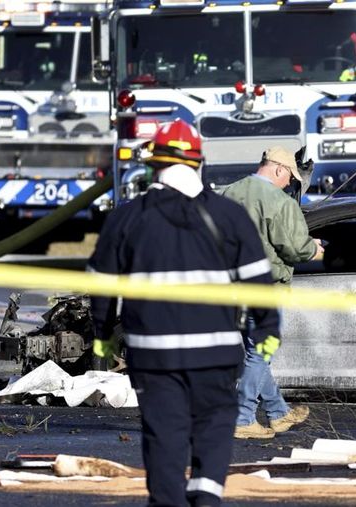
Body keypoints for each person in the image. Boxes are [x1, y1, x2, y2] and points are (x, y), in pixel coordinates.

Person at [89, 119, 280, 506]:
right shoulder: (228, 216)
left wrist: (103, 336)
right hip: (216, 356)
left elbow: (102, 286)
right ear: (199, 163)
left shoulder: (128, 218)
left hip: (154, 356)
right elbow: (259, 281)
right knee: (212, 432)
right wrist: (269, 329)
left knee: (165, 436)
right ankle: (206, 499)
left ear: (153, 165)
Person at [222, 146, 323, 439]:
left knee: (256, 353)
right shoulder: (280, 202)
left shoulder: (226, 193)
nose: (289, 184)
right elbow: (294, 247)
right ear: (279, 169)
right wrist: (313, 248)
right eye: (289, 177)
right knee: (260, 353)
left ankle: (279, 413)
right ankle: (243, 419)